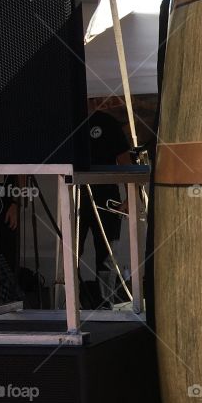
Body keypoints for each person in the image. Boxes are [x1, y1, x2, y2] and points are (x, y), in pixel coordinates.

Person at [75, 103, 134, 308]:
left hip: (106, 197)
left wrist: (130, 197)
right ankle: (71, 301)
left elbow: (124, 159)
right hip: (75, 198)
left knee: (108, 253)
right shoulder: (68, 123)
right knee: (72, 250)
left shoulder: (106, 122)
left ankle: (106, 302)